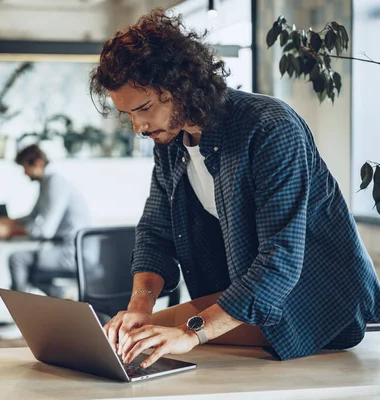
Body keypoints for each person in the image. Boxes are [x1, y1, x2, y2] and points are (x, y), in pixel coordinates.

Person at [89, 9, 380, 367]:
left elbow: (280, 259)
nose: (137, 126)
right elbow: (155, 234)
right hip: (250, 301)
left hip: (318, 308)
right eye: (128, 114)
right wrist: (139, 306)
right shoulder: (171, 142)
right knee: (133, 332)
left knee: (141, 341)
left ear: (179, 84)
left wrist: (192, 331)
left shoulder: (270, 128)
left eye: (144, 108)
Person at [0, 144, 92, 298]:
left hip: (72, 254)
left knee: (17, 259)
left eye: (25, 168)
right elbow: (33, 216)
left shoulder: (55, 184)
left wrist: (10, 231)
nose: (25, 173)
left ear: (38, 164)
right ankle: (63, 295)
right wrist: (10, 221)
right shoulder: (46, 184)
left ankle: (22, 310)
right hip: (62, 249)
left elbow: (44, 230)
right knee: (30, 271)